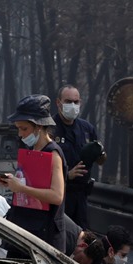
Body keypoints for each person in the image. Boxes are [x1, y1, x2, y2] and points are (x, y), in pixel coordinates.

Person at [0, 95, 66, 252]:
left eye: (24, 128)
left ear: (38, 127)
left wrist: (21, 188)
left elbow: (57, 196)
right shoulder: (31, 150)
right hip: (26, 229)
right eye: (18, 128)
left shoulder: (53, 153)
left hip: (44, 236)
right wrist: (12, 181)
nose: (20, 134)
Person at [53, 85, 104, 229]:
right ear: (58, 103)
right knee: (61, 236)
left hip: (82, 196)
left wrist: (99, 154)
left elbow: (100, 160)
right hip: (59, 196)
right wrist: (67, 175)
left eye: (76, 102)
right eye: (68, 101)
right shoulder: (49, 129)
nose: (73, 106)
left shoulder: (87, 129)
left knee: (81, 238)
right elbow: (43, 168)